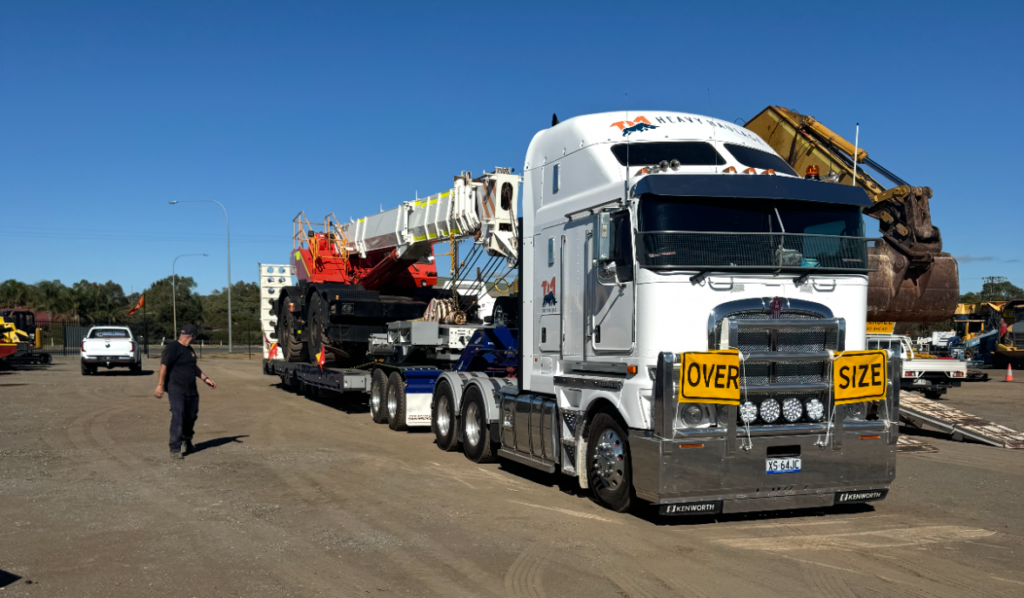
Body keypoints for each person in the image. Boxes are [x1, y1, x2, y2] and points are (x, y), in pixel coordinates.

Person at [154, 324, 216, 459]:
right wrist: (160, 385)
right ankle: (175, 449)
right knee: (178, 415)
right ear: (192, 336)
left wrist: (206, 379)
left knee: (191, 417)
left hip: (191, 390)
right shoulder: (172, 348)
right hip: (176, 389)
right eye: (195, 337)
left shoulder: (189, 350)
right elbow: (163, 366)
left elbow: (193, 367)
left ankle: (187, 439)